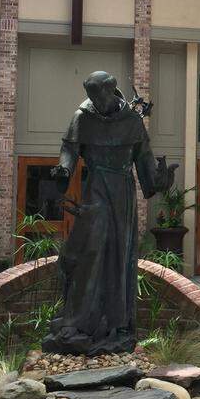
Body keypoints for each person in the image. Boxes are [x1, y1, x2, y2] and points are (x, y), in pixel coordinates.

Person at [42, 70, 173, 354]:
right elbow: (70, 148)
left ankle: (117, 323)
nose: (94, 102)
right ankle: (77, 320)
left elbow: (145, 162)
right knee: (88, 254)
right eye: (90, 97)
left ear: (110, 92)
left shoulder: (132, 121)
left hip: (124, 194)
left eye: (98, 96)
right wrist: (64, 169)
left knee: (120, 256)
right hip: (96, 190)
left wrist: (160, 178)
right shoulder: (82, 117)